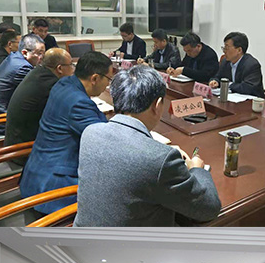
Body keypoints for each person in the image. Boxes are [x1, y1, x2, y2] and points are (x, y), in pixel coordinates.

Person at [75, 65, 221, 226]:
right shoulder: (160, 160)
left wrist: (158, 151)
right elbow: (209, 209)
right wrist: (197, 169)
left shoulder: (90, 133)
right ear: (157, 105)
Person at [19, 51, 111, 214]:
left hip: (36, 174)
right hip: (53, 189)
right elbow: (106, 141)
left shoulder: (64, 83)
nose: (108, 85)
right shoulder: (79, 103)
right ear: (95, 78)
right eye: (108, 80)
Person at [3, 48, 75, 163]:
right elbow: (69, 114)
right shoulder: (52, 85)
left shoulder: (38, 73)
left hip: (15, 141)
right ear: (59, 68)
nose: (73, 69)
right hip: (24, 152)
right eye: (71, 65)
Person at [0, 33, 45, 134]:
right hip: (0, 121)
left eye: (44, 53)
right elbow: (40, 93)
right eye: (39, 53)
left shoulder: (15, 57)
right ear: (25, 52)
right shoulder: (22, 68)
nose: (42, 57)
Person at [208, 32, 264, 97]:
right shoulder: (225, 61)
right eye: (224, 48)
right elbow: (218, 77)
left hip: (250, 100)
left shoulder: (251, 65)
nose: (224, 51)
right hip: (232, 98)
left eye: (227, 48)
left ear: (239, 50)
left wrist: (227, 84)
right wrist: (215, 81)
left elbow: (248, 88)